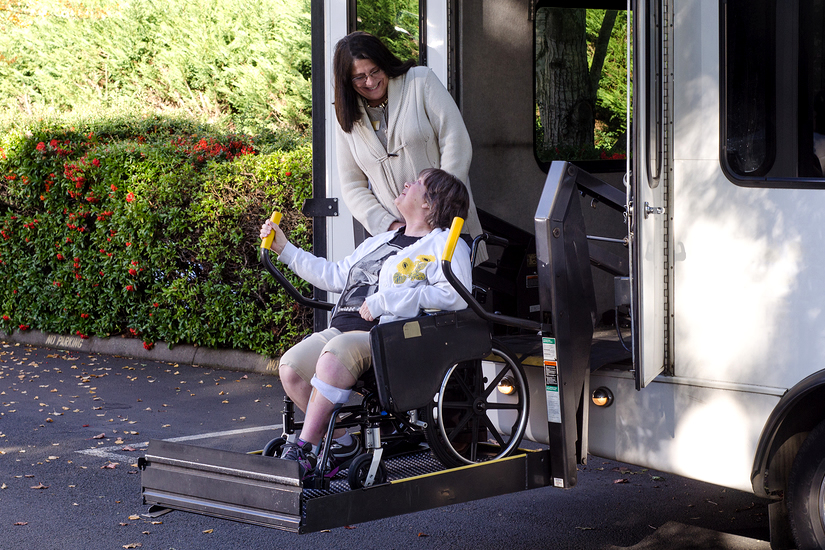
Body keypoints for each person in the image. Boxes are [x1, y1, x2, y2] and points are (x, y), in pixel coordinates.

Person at [260, 168, 473, 479]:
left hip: (389, 336)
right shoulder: (382, 240)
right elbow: (335, 275)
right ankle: (343, 443)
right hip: (343, 330)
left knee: (334, 358)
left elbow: (455, 296)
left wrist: (386, 301)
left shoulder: (445, 244)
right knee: (291, 368)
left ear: (430, 203)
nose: (406, 183)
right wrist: (285, 250)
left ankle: (304, 448)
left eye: (416, 183)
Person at [333, 31, 486, 261]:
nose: (371, 81)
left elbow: (456, 141)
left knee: (455, 291)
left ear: (385, 62)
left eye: (375, 71)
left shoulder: (420, 81)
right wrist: (390, 226)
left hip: (448, 230)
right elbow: (352, 186)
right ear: (347, 80)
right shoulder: (345, 115)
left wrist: (439, 210)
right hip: (399, 245)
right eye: (359, 77)